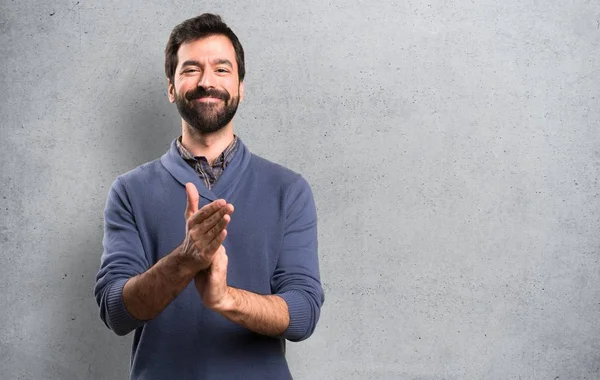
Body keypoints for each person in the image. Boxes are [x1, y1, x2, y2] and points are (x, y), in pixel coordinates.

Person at [94, 13, 325, 380]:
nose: (206, 81)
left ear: (240, 86)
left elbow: (303, 313)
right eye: (190, 70)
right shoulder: (129, 191)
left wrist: (225, 299)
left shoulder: (288, 189)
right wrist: (184, 261)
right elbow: (116, 311)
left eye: (221, 69)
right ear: (171, 88)